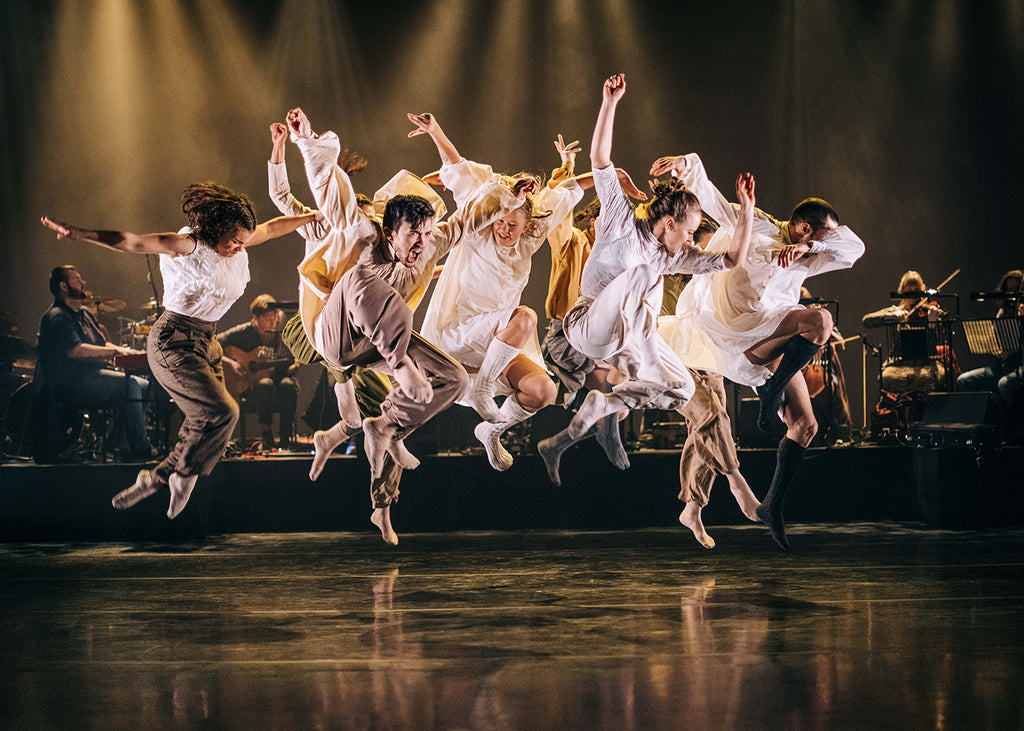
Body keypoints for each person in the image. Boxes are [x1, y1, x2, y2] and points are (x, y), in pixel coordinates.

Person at [285, 107, 523, 542]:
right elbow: (331, 192)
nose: (421, 244)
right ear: (390, 232)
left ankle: (386, 428)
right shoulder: (362, 235)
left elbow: (467, 218)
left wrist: (511, 198)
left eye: (427, 235)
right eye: (413, 235)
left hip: (379, 342)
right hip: (335, 336)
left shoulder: (430, 245)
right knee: (359, 277)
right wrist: (307, 142)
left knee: (451, 378)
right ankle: (390, 384)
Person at [40, 184, 320, 519]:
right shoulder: (187, 245)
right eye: (233, 240)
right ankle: (184, 477)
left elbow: (272, 228)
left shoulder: (239, 241)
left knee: (205, 425)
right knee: (223, 412)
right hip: (173, 340)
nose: (238, 247)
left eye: (243, 241)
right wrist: (79, 233)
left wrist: (312, 216)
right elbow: (131, 241)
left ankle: (156, 478)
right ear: (217, 229)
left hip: (207, 342)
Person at [652, 147, 864, 550]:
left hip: (774, 342)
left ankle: (771, 507)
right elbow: (710, 195)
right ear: (802, 226)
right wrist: (685, 165)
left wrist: (812, 249)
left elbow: (855, 248)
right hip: (738, 337)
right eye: (819, 236)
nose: (825, 244)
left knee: (806, 426)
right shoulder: (756, 223)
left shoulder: (812, 253)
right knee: (818, 320)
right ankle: (766, 398)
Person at [559, 74, 751, 455]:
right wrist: (610, 103)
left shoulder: (673, 254)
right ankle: (644, 360)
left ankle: (607, 403)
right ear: (668, 224)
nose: (693, 241)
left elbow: (732, 260)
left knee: (682, 386)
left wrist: (745, 211)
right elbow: (601, 160)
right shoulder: (619, 219)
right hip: (586, 326)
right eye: (690, 232)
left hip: (624, 339)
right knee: (646, 273)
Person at [411, 113, 585, 472]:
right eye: (501, 223)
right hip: (461, 332)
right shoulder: (477, 228)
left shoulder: (529, 239)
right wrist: (436, 132)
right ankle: (483, 390)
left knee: (544, 392)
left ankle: (491, 430)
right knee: (525, 316)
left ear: (527, 226)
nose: (504, 231)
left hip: (497, 341)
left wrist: (568, 165)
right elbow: (458, 169)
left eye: (513, 226)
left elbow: (560, 200)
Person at [657, 219, 761, 548]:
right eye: (693, 240)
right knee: (711, 416)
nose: (697, 249)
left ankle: (692, 508)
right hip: (668, 353)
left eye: (701, 243)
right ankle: (737, 481)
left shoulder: (713, 271)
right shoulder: (661, 262)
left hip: (706, 353)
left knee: (705, 431)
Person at [35, 265, 153, 460]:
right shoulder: (57, 317)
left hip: (91, 377)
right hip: (70, 383)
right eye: (77, 279)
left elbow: (100, 343)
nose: (83, 283)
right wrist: (114, 351)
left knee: (146, 386)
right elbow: (76, 350)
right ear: (63, 286)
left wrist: (124, 350)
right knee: (130, 384)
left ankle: (122, 444)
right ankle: (140, 448)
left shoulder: (84, 313)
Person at [218, 294, 299, 449]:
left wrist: (292, 367)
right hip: (252, 385)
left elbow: (287, 364)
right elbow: (214, 345)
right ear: (255, 318)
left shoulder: (280, 335)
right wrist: (232, 365)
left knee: (289, 385)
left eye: (275, 317)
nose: (273, 321)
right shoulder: (243, 332)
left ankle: (285, 438)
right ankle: (267, 436)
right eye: (268, 318)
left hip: (279, 379)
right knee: (265, 384)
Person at [862, 270, 958, 396]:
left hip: (927, 361)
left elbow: (935, 341)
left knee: (927, 379)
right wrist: (889, 316)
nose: (913, 296)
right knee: (886, 378)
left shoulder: (928, 311)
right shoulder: (895, 311)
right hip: (898, 360)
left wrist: (932, 324)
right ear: (902, 292)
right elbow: (866, 320)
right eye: (909, 292)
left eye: (916, 292)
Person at [957, 269, 1022, 408]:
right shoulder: (1004, 311)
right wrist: (995, 349)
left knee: (1004, 384)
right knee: (965, 380)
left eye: (1015, 290)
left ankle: (1010, 425)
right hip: (1005, 365)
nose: (1011, 294)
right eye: (1008, 290)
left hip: (1021, 365)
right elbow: (993, 338)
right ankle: (981, 421)